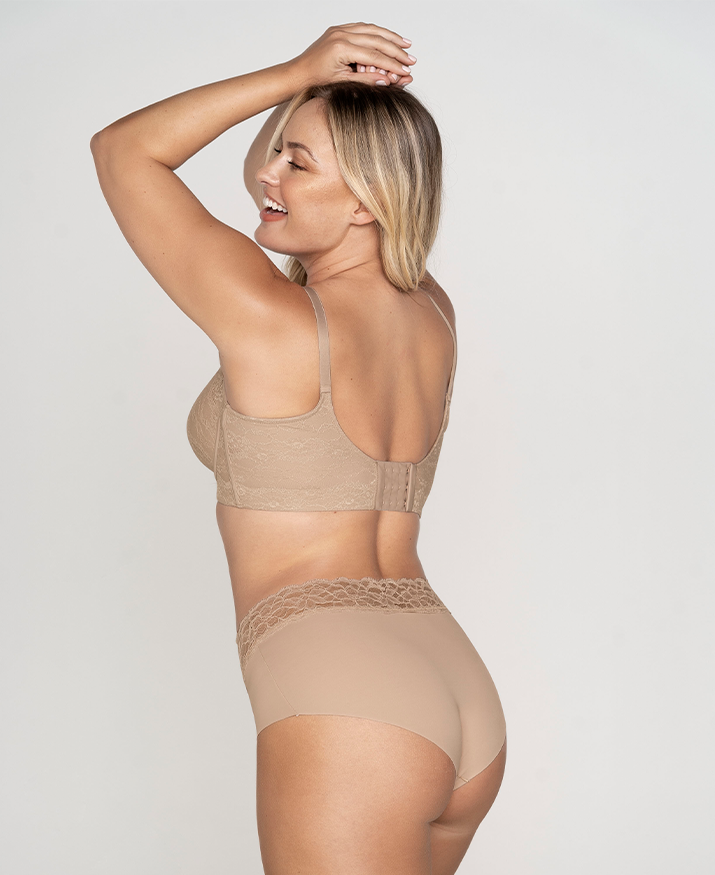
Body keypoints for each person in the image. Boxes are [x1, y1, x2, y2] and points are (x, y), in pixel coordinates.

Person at [91, 22, 506, 874]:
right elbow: (268, 177)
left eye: (299, 164)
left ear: (365, 202)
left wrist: (294, 71)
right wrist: (317, 90)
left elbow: (124, 150)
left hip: (347, 695)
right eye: (278, 152)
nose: (267, 174)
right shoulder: (431, 309)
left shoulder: (271, 321)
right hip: (452, 681)